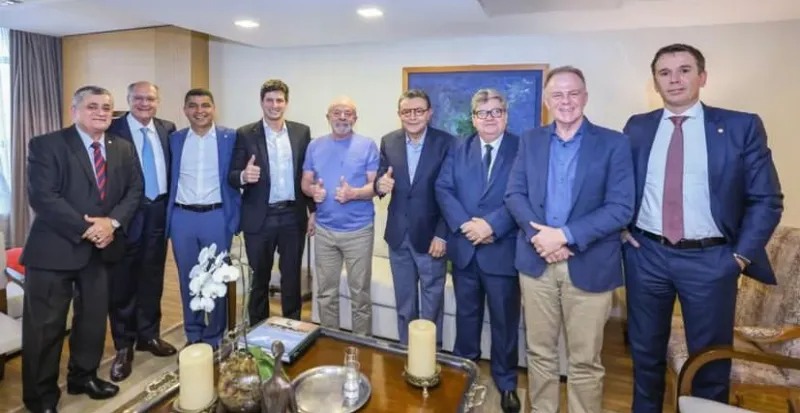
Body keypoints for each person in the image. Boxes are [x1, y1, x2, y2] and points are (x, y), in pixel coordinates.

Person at [622, 43, 783, 412]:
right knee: (645, 356)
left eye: (684, 70)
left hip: (712, 260)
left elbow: (767, 199)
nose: (674, 79)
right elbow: (619, 184)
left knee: (709, 364)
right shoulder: (637, 127)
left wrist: (739, 257)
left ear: (702, 77)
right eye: (664, 73)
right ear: (655, 83)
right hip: (646, 256)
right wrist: (622, 229)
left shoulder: (740, 126)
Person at [505, 66, 634, 413]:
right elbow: (514, 194)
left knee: (585, 361)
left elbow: (621, 208)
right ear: (547, 101)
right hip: (536, 263)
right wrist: (540, 238)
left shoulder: (614, 143)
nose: (566, 101)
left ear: (585, 97)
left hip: (589, 263)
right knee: (539, 353)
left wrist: (563, 236)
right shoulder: (530, 140)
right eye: (557, 95)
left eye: (573, 93)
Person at [21, 86, 143, 412]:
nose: (101, 112)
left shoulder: (123, 148)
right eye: (92, 106)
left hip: (101, 251)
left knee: (92, 322)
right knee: (45, 329)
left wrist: (112, 224)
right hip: (54, 250)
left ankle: (83, 377)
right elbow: (43, 197)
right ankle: (40, 397)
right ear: (74, 110)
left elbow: (134, 191)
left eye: (107, 107)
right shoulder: (47, 145)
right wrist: (90, 228)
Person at [435, 89, 521, 413]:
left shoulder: (522, 149)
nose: (489, 118)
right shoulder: (458, 148)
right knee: (467, 318)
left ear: (506, 116)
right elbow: (443, 188)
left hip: (502, 250)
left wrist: (491, 226)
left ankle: (507, 382)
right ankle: (465, 374)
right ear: (473, 118)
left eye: (496, 111)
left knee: (504, 323)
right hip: (465, 250)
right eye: (482, 113)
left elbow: (525, 194)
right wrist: (465, 225)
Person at [107, 81, 177, 382]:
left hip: (158, 212)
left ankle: (149, 335)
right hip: (126, 216)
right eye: (138, 98)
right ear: (128, 99)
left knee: (152, 277)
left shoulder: (167, 128)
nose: (144, 103)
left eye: (150, 98)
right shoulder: (113, 129)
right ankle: (124, 347)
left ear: (158, 101)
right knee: (122, 284)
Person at [228, 79, 314, 325]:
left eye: (279, 100)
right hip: (259, 217)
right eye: (269, 100)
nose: (274, 105)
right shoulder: (245, 133)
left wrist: (313, 211)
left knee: (291, 278)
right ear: (261, 102)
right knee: (259, 278)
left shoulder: (301, 132)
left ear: (286, 103)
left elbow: (307, 174)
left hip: (292, 216)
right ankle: (258, 328)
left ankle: (293, 327)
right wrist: (244, 176)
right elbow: (232, 175)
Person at [374, 89, 454, 345]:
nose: (412, 116)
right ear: (399, 114)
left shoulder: (447, 143)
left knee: (432, 304)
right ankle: (406, 351)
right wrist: (379, 185)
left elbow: (452, 193)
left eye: (419, 111)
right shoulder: (389, 141)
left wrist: (442, 235)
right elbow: (381, 178)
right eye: (406, 111)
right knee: (404, 302)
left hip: (431, 237)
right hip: (398, 236)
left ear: (429, 113)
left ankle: (431, 355)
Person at [167, 88, 241, 347]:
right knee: (188, 277)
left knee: (215, 276)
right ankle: (193, 332)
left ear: (214, 108)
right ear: (185, 110)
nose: (200, 111)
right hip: (182, 217)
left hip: (217, 216)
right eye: (193, 105)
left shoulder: (230, 137)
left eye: (205, 105)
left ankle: (215, 335)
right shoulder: (174, 139)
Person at [301, 96, 378, 336]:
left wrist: (354, 193)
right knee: (326, 293)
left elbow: (375, 186)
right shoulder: (315, 146)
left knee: (360, 295)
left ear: (355, 118)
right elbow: (305, 182)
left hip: (359, 232)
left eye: (348, 113)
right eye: (337, 112)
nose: (342, 117)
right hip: (325, 231)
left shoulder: (367, 145)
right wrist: (312, 191)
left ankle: (362, 345)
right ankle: (330, 343)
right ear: (328, 117)